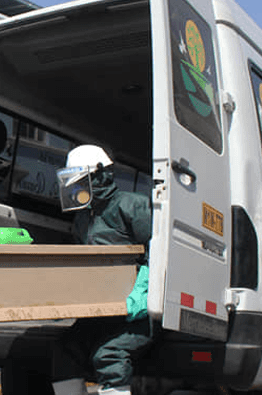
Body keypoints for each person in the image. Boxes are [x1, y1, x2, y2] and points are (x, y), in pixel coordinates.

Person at [56, 144, 152, 395]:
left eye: (81, 181)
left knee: (109, 355)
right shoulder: (82, 219)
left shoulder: (132, 206)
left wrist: (144, 291)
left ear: (99, 176)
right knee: (64, 351)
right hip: (105, 311)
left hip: (140, 313)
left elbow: (160, 253)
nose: (75, 188)